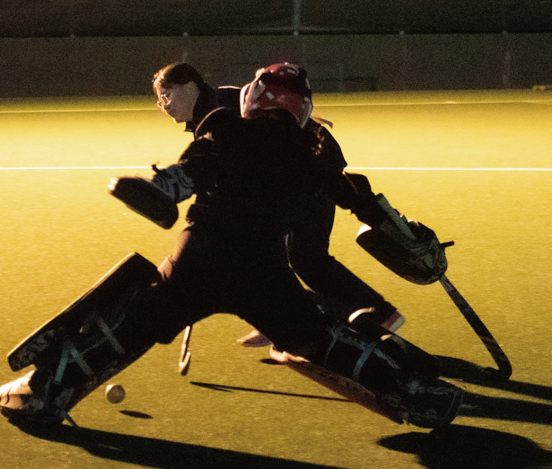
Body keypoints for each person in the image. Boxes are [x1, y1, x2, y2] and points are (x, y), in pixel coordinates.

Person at [0, 63, 461, 429]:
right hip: (265, 272)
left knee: (127, 325)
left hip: (201, 260)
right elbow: (363, 201)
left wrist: (162, 190)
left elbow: (196, 168)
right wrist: (409, 236)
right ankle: (412, 389)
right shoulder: (311, 152)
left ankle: (45, 392)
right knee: (317, 337)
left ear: (254, 99)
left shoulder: (225, 126)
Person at [152, 62, 404, 347]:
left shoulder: (225, 105)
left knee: (305, 256)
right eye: (160, 99)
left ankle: (376, 315)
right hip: (302, 173)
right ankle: (285, 317)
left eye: (167, 94)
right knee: (287, 252)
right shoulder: (206, 112)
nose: (164, 104)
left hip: (314, 172)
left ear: (189, 86)